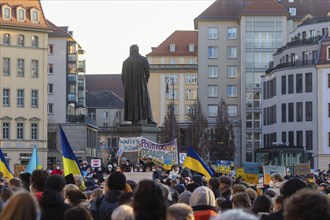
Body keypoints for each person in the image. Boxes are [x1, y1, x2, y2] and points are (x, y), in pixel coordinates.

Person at [121, 44, 155, 124]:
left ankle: (133, 119)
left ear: (130, 51)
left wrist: (127, 86)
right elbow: (147, 73)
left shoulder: (125, 62)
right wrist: (144, 82)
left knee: (132, 102)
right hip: (141, 86)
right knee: (145, 101)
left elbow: (123, 76)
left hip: (130, 88)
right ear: (137, 50)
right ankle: (148, 118)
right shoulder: (143, 60)